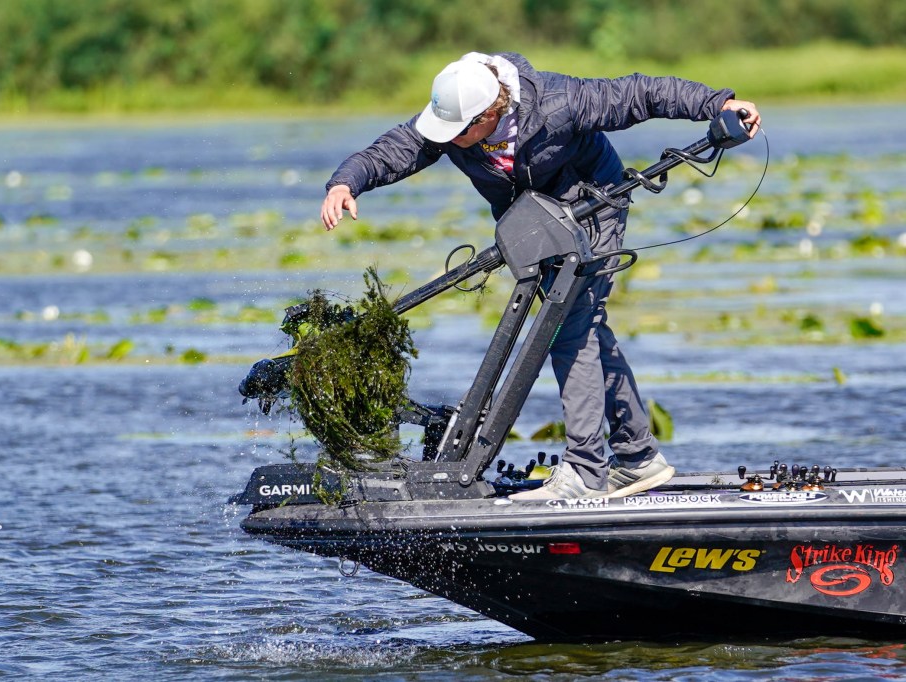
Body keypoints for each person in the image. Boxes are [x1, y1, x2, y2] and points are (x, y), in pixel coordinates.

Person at [319, 52, 761, 500]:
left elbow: (640, 94)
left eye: (457, 133)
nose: (447, 140)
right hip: (535, 223)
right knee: (585, 328)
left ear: (489, 115)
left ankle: (586, 472)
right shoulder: (452, 117)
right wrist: (345, 183)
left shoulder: (559, 102)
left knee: (569, 329)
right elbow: (396, 149)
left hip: (596, 206)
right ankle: (638, 457)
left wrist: (718, 104)